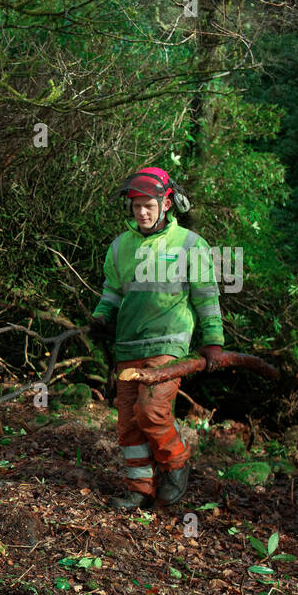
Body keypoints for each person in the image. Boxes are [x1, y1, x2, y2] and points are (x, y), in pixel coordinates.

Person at [88, 167, 224, 510]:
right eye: (136, 206)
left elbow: (206, 296)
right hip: (129, 345)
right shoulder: (120, 247)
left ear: (167, 204)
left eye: (148, 205)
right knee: (128, 421)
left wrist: (213, 342)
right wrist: (103, 316)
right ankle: (140, 487)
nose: (142, 212)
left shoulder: (190, 245)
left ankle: (177, 464)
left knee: (151, 410)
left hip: (170, 345)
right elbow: (112, 290)